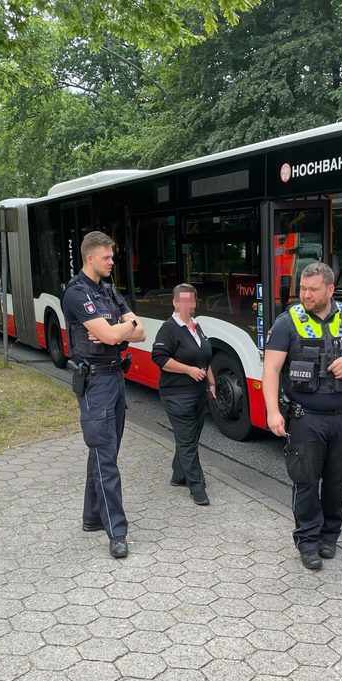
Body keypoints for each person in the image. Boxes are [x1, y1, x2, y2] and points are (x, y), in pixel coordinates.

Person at [262, 262, 342, 571]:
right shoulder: (288, 322)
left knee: (338, 482)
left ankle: (330, 537)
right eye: (302, 288)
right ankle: (308, 541)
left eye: (312, 289)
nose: (305, 294)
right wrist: (273, 411)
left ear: (329, 289)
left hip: (341, 418)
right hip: (305, 419)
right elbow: (271, 369)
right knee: (306, 482)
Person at [62, 230, 145, 558]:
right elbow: (117, 332)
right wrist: (118, 331)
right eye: (107, 257)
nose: (112, 261)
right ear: (90, 258)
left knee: (103, 452)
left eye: (112, 257)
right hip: (94, 383)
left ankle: (91, 517)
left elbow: (139, 331)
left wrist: (117, 333)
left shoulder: (109, 291)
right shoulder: (75, 293)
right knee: (105, 455)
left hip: (115, 380)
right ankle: (117, 532)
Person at [151, 283, 216, 506]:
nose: (188, 304)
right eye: (183, 300)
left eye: (192, 300)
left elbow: (204, 357)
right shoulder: (168, 328)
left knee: (191, 436)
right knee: (188, 439)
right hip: (176, 394)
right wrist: (188, 370)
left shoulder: (197, 326)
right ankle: (196, 487)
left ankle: (179, 475)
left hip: (198, 393)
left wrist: (211, 381)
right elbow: (159, 358)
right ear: (175, 302)